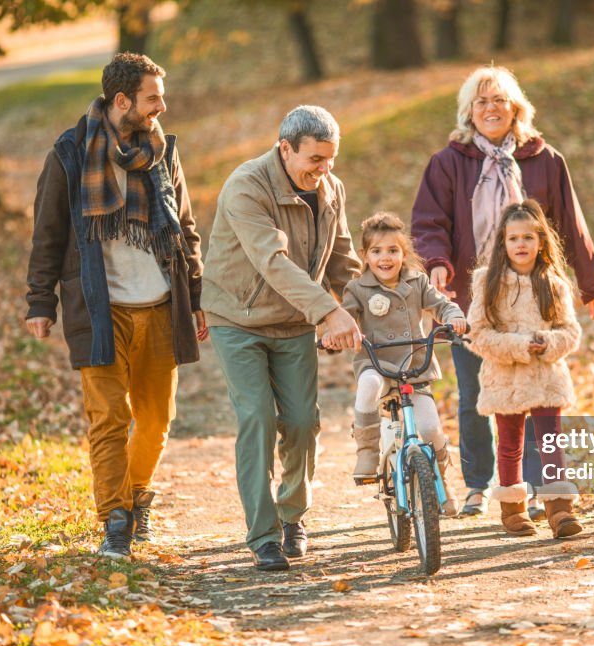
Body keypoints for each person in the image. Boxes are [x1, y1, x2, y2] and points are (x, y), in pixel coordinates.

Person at [25, 52, 207, 559]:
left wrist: (195, 297)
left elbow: (186, 228)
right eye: (153, 98)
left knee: (155, 420)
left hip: (160, 306)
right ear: (122, 100)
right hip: (99, 310)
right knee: (108, 419)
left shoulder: (163, 151)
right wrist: (40, 301)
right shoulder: (69, 153)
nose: (162, 108)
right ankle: (117, 521)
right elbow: (48, 233)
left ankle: (137, 494)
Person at [411, 65, 594, 517]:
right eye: (480, 102)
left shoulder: (545, 160)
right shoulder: (448, 163)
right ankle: (481, 484)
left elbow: (570, 225)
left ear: (515, 107)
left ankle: (542, 485)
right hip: (473, 298)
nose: (490, 108)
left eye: (498, 100)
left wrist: (591, 284)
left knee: (539, 392)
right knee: (476, 393)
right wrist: (438, 265)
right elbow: (428, 222)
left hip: (535, 296)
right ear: (468, 112)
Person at [202, 105, 361, 571]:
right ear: (285, 148)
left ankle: (293, 517)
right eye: (314, 159)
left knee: (300, 423)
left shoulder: (331, 189)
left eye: (330, 159)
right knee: (258, 417)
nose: (323, 170)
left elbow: (343, 259)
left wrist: (361, 308)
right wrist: (327, 311)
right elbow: (272, 262)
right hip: (239, 318)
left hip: (294, 320)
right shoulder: (246, 186)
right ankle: (263, 534)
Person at [466, 201, 583, 538]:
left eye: (528, 238)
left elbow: (570, 331)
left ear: (541, 242)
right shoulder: (487, 283)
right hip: (505, 376)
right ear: (503, 243)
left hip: (545, 375)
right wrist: (517, 346)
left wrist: (545, 342)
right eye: (513, 238)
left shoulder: (554, 284)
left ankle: (559, 509)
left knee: (549, 441)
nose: (520, 245)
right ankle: (513, 508)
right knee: (510, 442)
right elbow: (479, 334)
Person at [338, 213, 467, 516]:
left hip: (413, 366)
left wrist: (453, 317)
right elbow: (345, 317)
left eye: (393, 251)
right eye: (377, 251)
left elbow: (441, 304)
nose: (386, 258)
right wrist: (339, 334)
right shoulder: (357, 289)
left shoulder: (417, 281)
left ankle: (440, 480)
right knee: (368, 384)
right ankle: (367, 450)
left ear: (404, 254)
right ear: (365, 256)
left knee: (430, 428)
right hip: (377, 364)